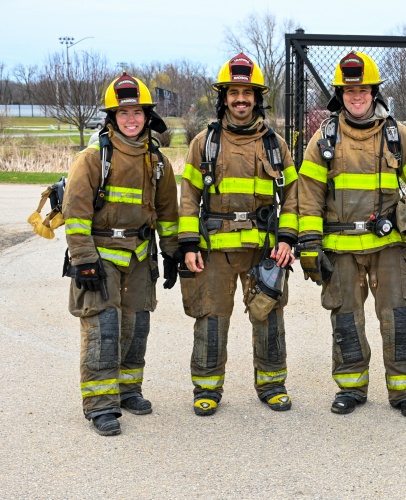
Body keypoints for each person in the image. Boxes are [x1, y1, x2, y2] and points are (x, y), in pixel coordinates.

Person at [297, 51, 406, 418]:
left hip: (390, 245)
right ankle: (351, 388)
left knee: (399, 316)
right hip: (340, 246)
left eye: (363, 90)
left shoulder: (396, 135)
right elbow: (309, 195)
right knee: (346, 318)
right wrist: (310, 243)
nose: (356, 96)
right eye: (349, 91)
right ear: (339, 95)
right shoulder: (324, 138)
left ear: (374, 92)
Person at [177, 53, 298, 417]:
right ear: (224, 97)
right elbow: (189, 197)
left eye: (247, 93)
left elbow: (293, 195)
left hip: (263, 248)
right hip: (215, 250)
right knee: (211, 317)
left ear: (257, 97)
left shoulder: (275, 144)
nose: (240, 99)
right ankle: (207, 389)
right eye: (234, 93)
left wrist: (287, 238)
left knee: (269, 316)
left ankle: (273, 385)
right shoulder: (204, 142)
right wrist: (188, 244)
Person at [63, 72, 179, 436]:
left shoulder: (158, 162)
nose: (131, 119)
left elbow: (168, 214)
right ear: (112, 117)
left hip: (141, 257)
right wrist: (83, 261)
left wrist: (172, 253)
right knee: (103, 328)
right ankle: (100, 404)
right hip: (100, 257)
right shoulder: (92, 158)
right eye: (123, 113)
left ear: (148, 116)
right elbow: (75, 213)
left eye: (138, 113)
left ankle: (129, 390)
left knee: (136, 326)